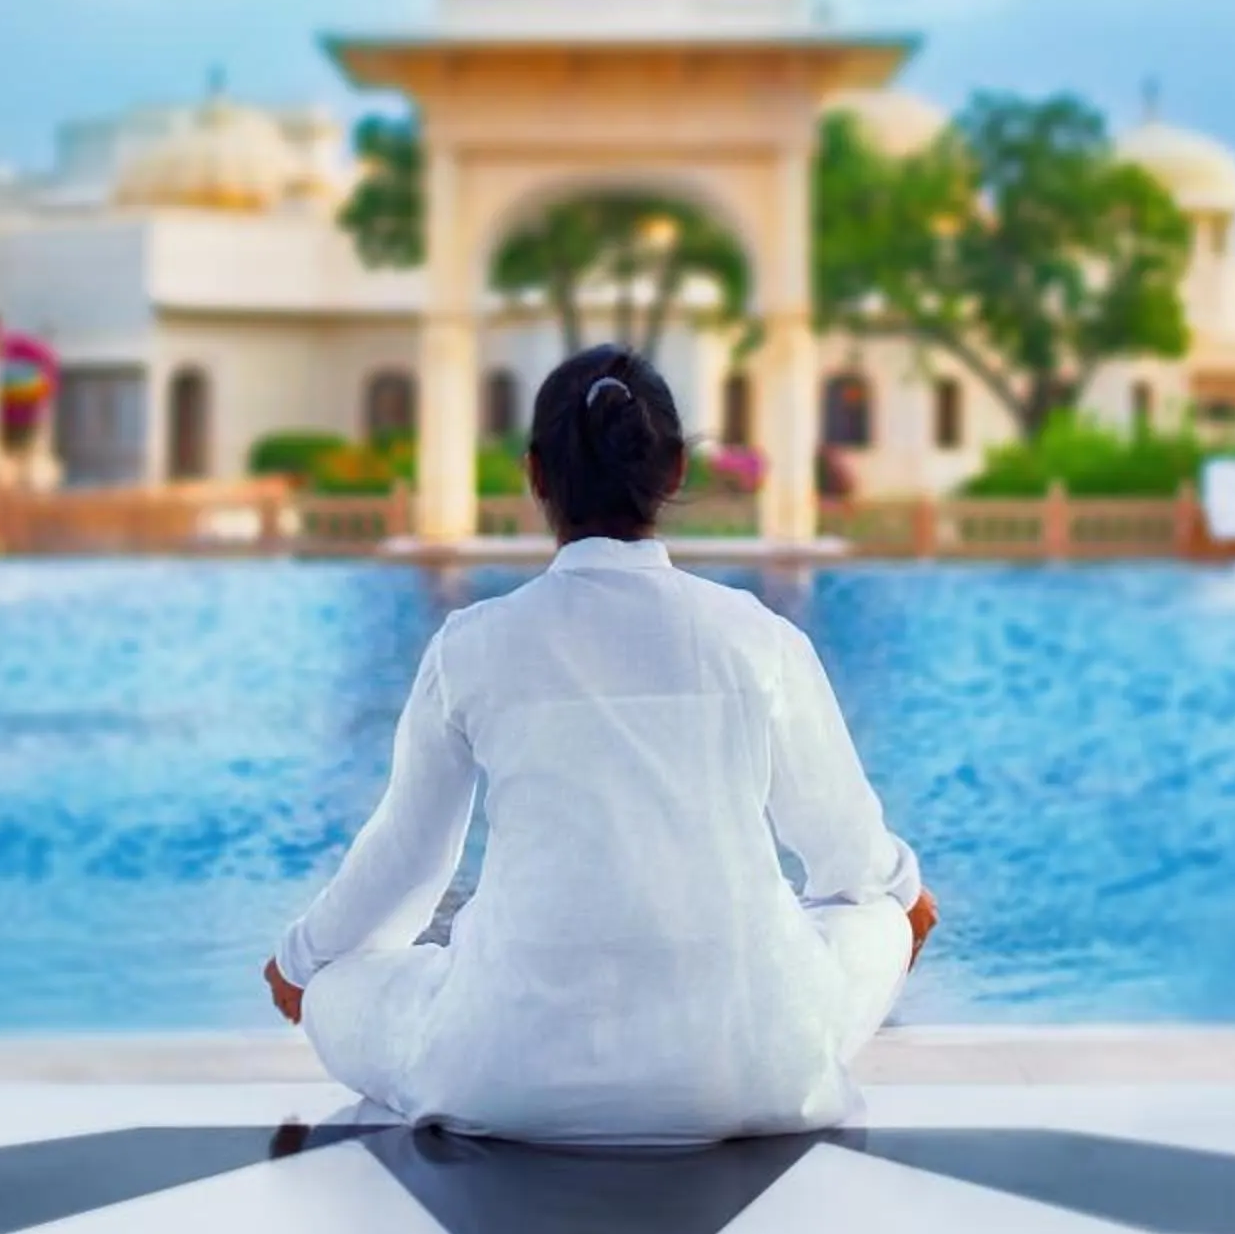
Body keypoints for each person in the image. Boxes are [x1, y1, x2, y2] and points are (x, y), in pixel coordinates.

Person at [264, 344, 936, 1143]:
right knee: (876, 917)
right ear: (676, 470)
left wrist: (301, 963)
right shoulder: (760, 640)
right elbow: (845, 850)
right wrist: (906, 894)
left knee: (341, 981)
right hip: (752, 1068)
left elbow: (409, 864)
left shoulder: (471, 645)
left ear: (537, 475)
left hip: (502, 1074)